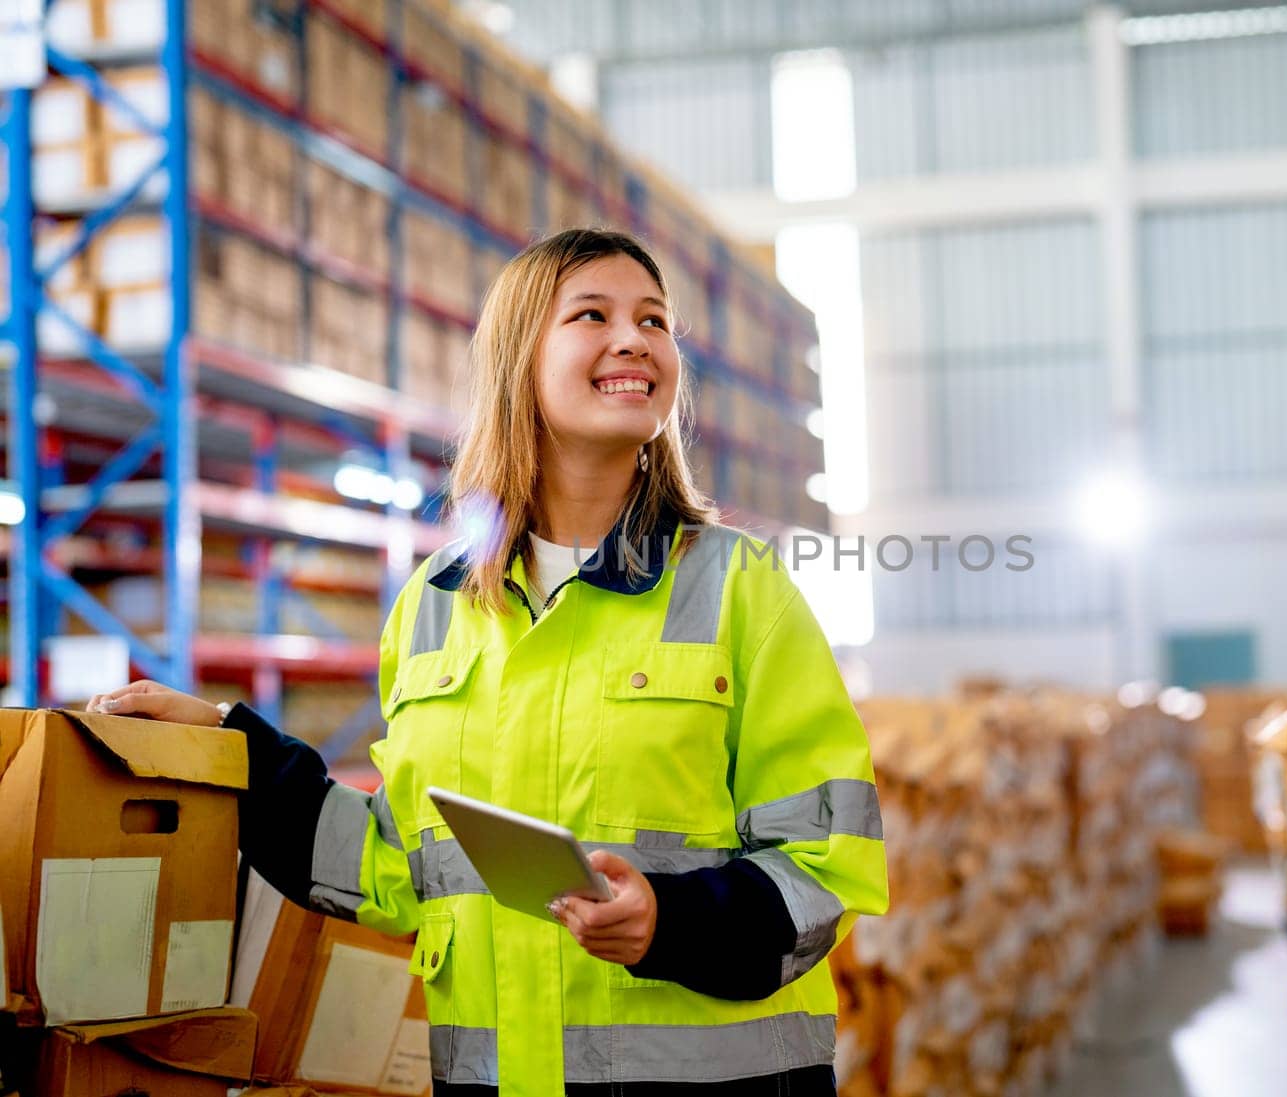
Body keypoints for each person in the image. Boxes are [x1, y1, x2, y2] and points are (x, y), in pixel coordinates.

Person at [89, 228, 889, 1096]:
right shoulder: (436, 604)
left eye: (655, 321)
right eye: (594, 314)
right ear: (519, 358)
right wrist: (225, 750)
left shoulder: (740, 589)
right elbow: (397, 865)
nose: (636, 339)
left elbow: (826, 863)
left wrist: (669, 920)